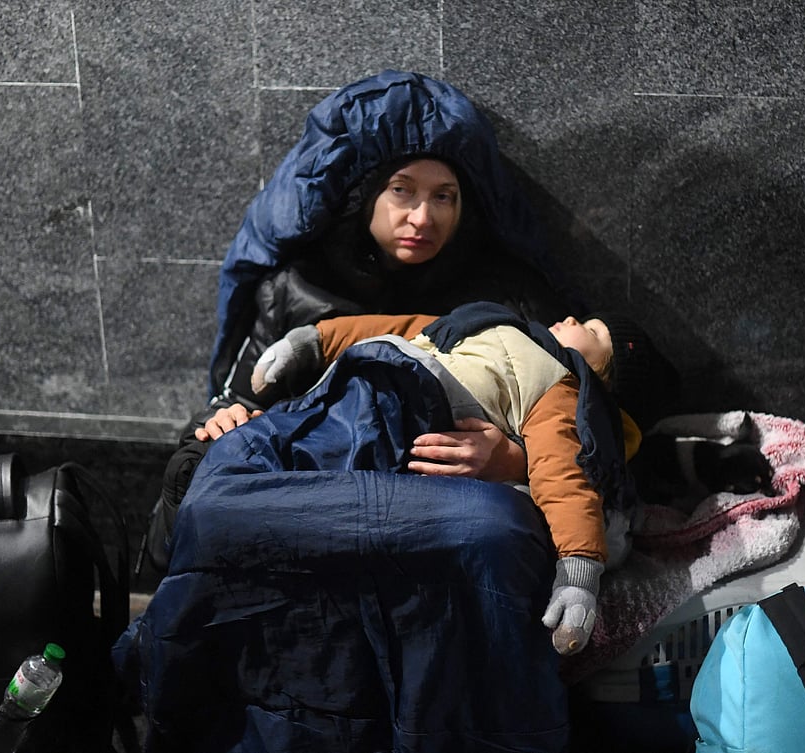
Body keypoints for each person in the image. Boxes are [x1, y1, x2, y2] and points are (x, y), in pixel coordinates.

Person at [114, 302, 678, 752]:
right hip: (340, 399)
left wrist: (577, 566)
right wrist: (311, 341)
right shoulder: (491, 319)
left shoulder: (557, 381)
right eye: (404, 192)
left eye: (594, 332)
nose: (575, 319)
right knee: (226, 496)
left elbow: (565, 472)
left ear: (601, 381)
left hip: (403, 429)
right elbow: (400, 325)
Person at [142, 71, 580, 572]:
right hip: (311, 500)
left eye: (444, 196)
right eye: (402, 190)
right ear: (362, 195)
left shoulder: (504, 296)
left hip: (442, 512)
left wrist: (514, 459)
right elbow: (233, 401)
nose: (422, 217)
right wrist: (222, 424)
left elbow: (585, 419)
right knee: (194, 471)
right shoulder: (298, 289)